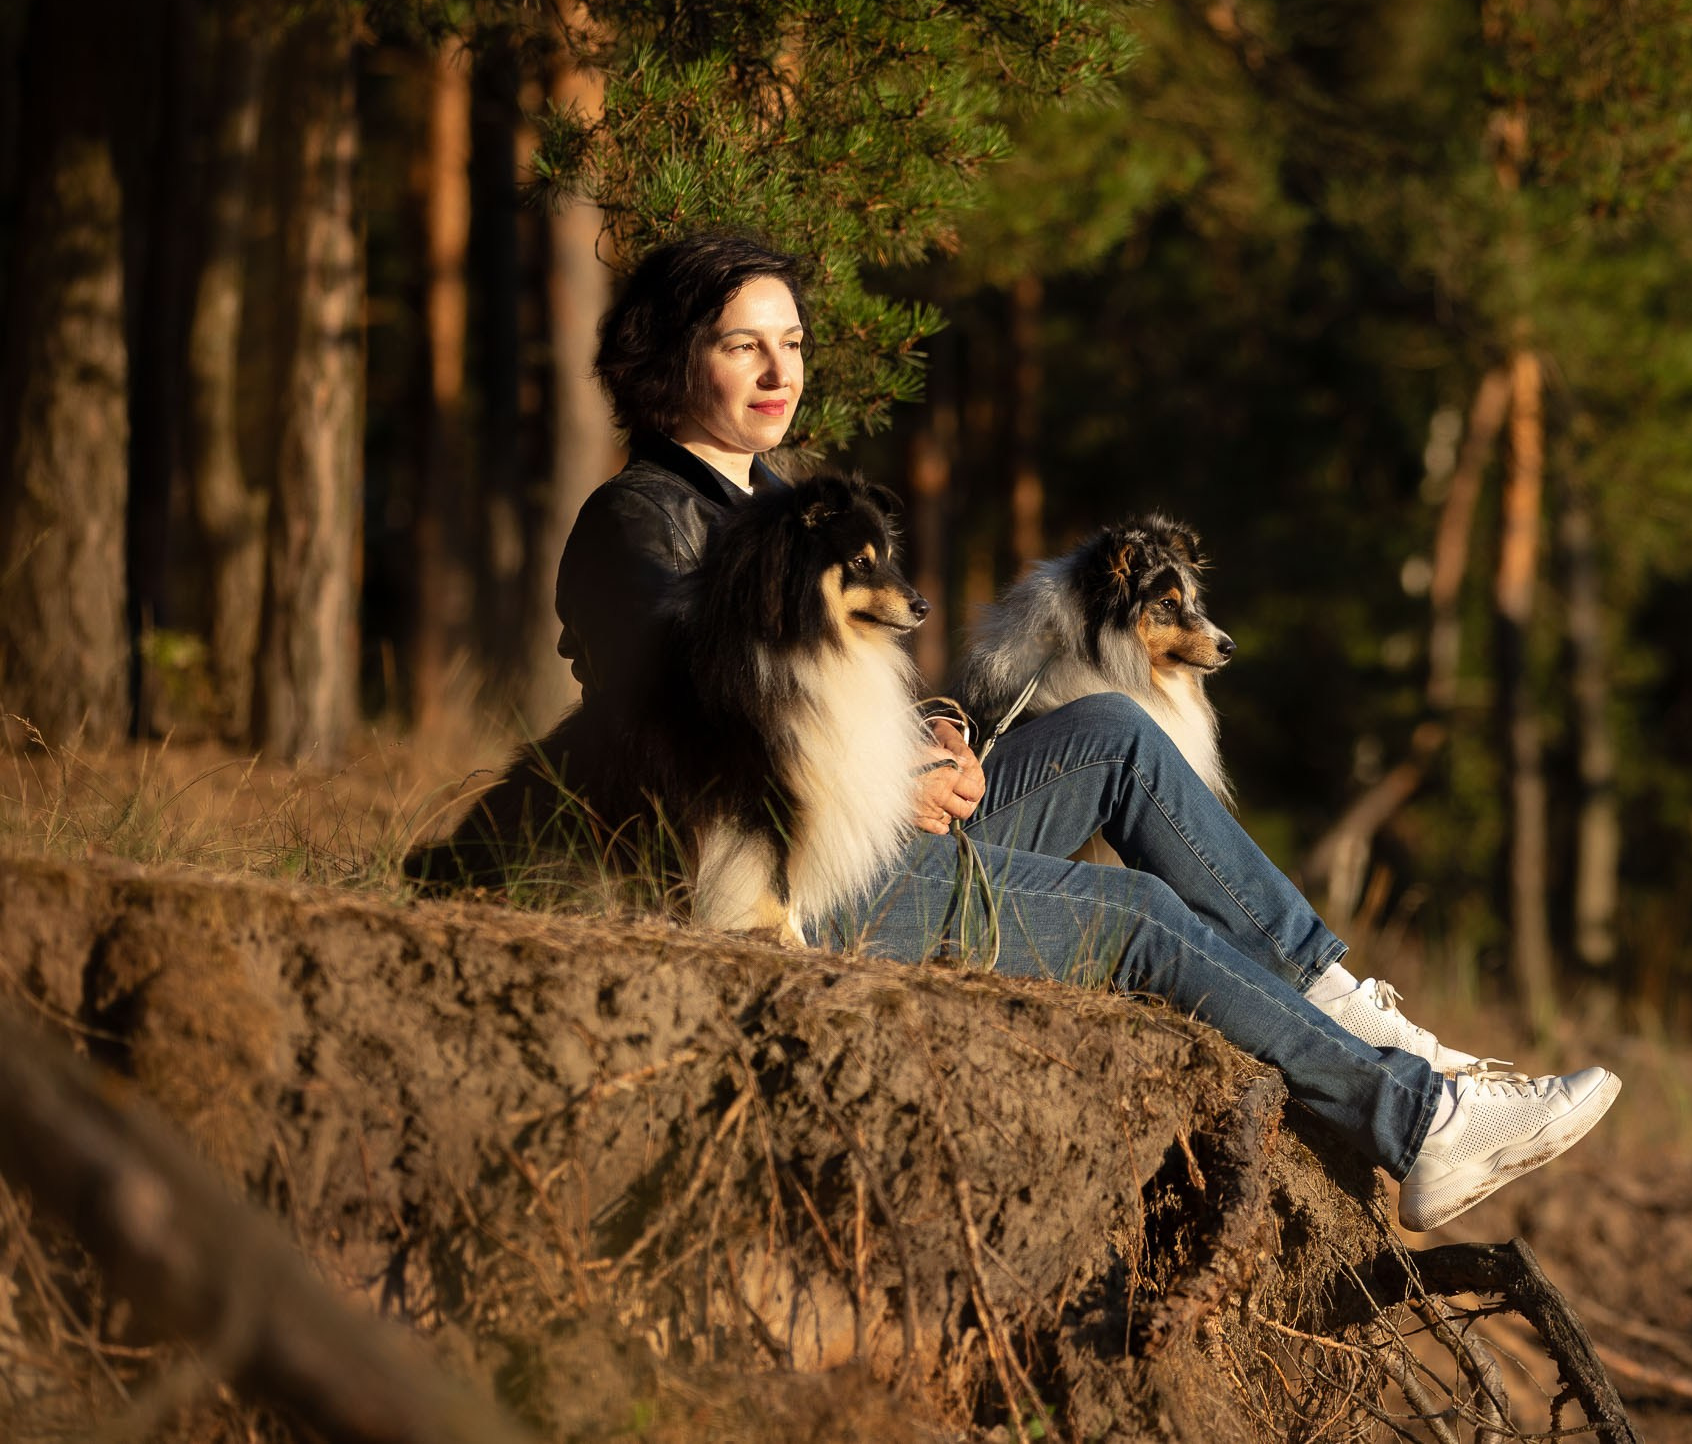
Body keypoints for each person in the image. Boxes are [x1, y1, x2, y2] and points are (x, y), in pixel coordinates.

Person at [431, 233, 1618, 1230]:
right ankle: (1418, 1127)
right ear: (671, 356)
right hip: (786, 880)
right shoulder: (636, 517)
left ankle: (1345, 1004)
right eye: (741, 341)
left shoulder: (777, 505)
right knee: (1140, 919)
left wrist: (927, 734)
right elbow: (700, 713)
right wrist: (888, 779)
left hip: (860, 827)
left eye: (789, 340)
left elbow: (825, 691)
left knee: (1106, 724)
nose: (775, 367)